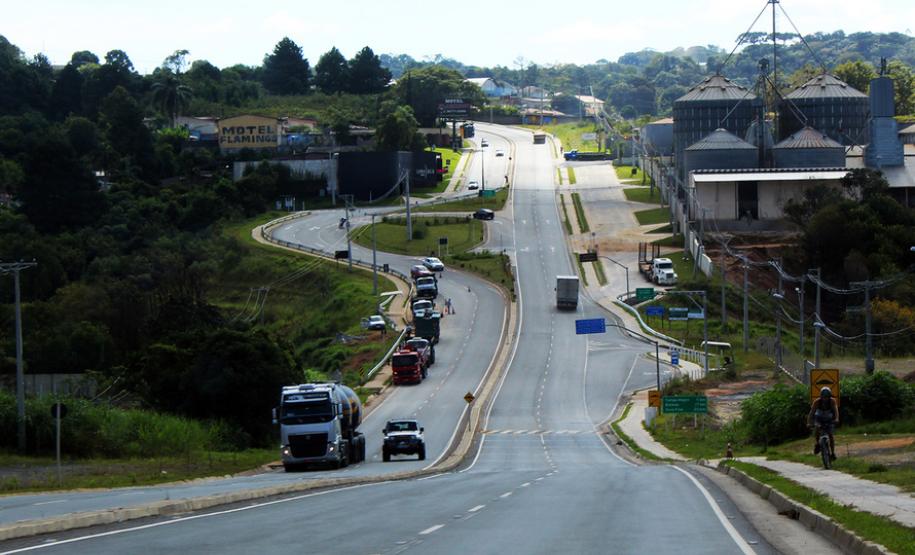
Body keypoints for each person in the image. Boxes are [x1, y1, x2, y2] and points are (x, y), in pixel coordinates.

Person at [807, 386, 839, 461]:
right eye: (824, 397)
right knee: (817, 428)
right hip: (819, 418)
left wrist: (837, 419)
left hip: (829, 419)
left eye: (827, 397)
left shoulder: (832, 401)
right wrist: (809, 422)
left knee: (831, 435)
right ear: (821, 397)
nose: (825, 399)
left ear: (829, 397)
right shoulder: (817, 402)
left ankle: (833, 453)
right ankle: (818, 444)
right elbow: (811, 413)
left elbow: (836, 411)